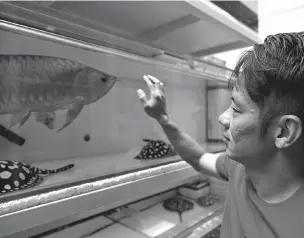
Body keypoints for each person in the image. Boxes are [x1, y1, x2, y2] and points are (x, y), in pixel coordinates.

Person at [136, 32, 304, 238]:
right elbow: (199, 158)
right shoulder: (240, 167)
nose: (222, 118)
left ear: (284, 131)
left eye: (236, 108)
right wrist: (162, 118)